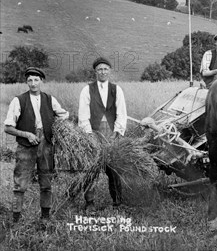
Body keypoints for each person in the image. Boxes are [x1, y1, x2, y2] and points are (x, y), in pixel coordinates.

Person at [4, 67, 69, 224]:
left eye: (36, 80)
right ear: (26, 82)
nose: (33, 84)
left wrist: (54, 126)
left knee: (46, 183)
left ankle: (45, 218)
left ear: (42, 81)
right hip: (25, 147)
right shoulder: (18, 100)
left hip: (46, 145)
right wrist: (26, 134)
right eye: (30, 80)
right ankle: (16, 220)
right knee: (20, 184)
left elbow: (64, 114)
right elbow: (7, 127)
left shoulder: (49, 99)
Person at [78, 57, 127, 210]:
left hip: (112, 133)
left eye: (106, 69)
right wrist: (89, 134)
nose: (103, 72)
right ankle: (90, 203)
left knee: (114, 169)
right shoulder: (87, 89)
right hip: (94, 133)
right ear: (95, 72)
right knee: (91, 169)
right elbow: (83, 115)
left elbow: (122, 113)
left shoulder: (116, 89)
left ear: (109, 71)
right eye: (100, 69)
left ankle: (117, 202)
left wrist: (117, 132)